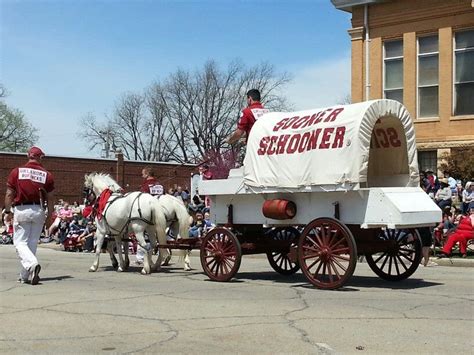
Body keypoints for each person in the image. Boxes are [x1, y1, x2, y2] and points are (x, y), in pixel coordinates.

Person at [3, 146, 55, 285]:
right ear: (40, 157)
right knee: (32, 244)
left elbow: (9, 194)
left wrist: (7, 211)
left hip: (22, 209)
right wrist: (49, 216)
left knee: (19, 242)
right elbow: (50, 198)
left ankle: (32, 264)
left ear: (28, 156)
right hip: (38, 210)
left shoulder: (16, 172)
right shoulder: (47, 175)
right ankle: (25, 276)